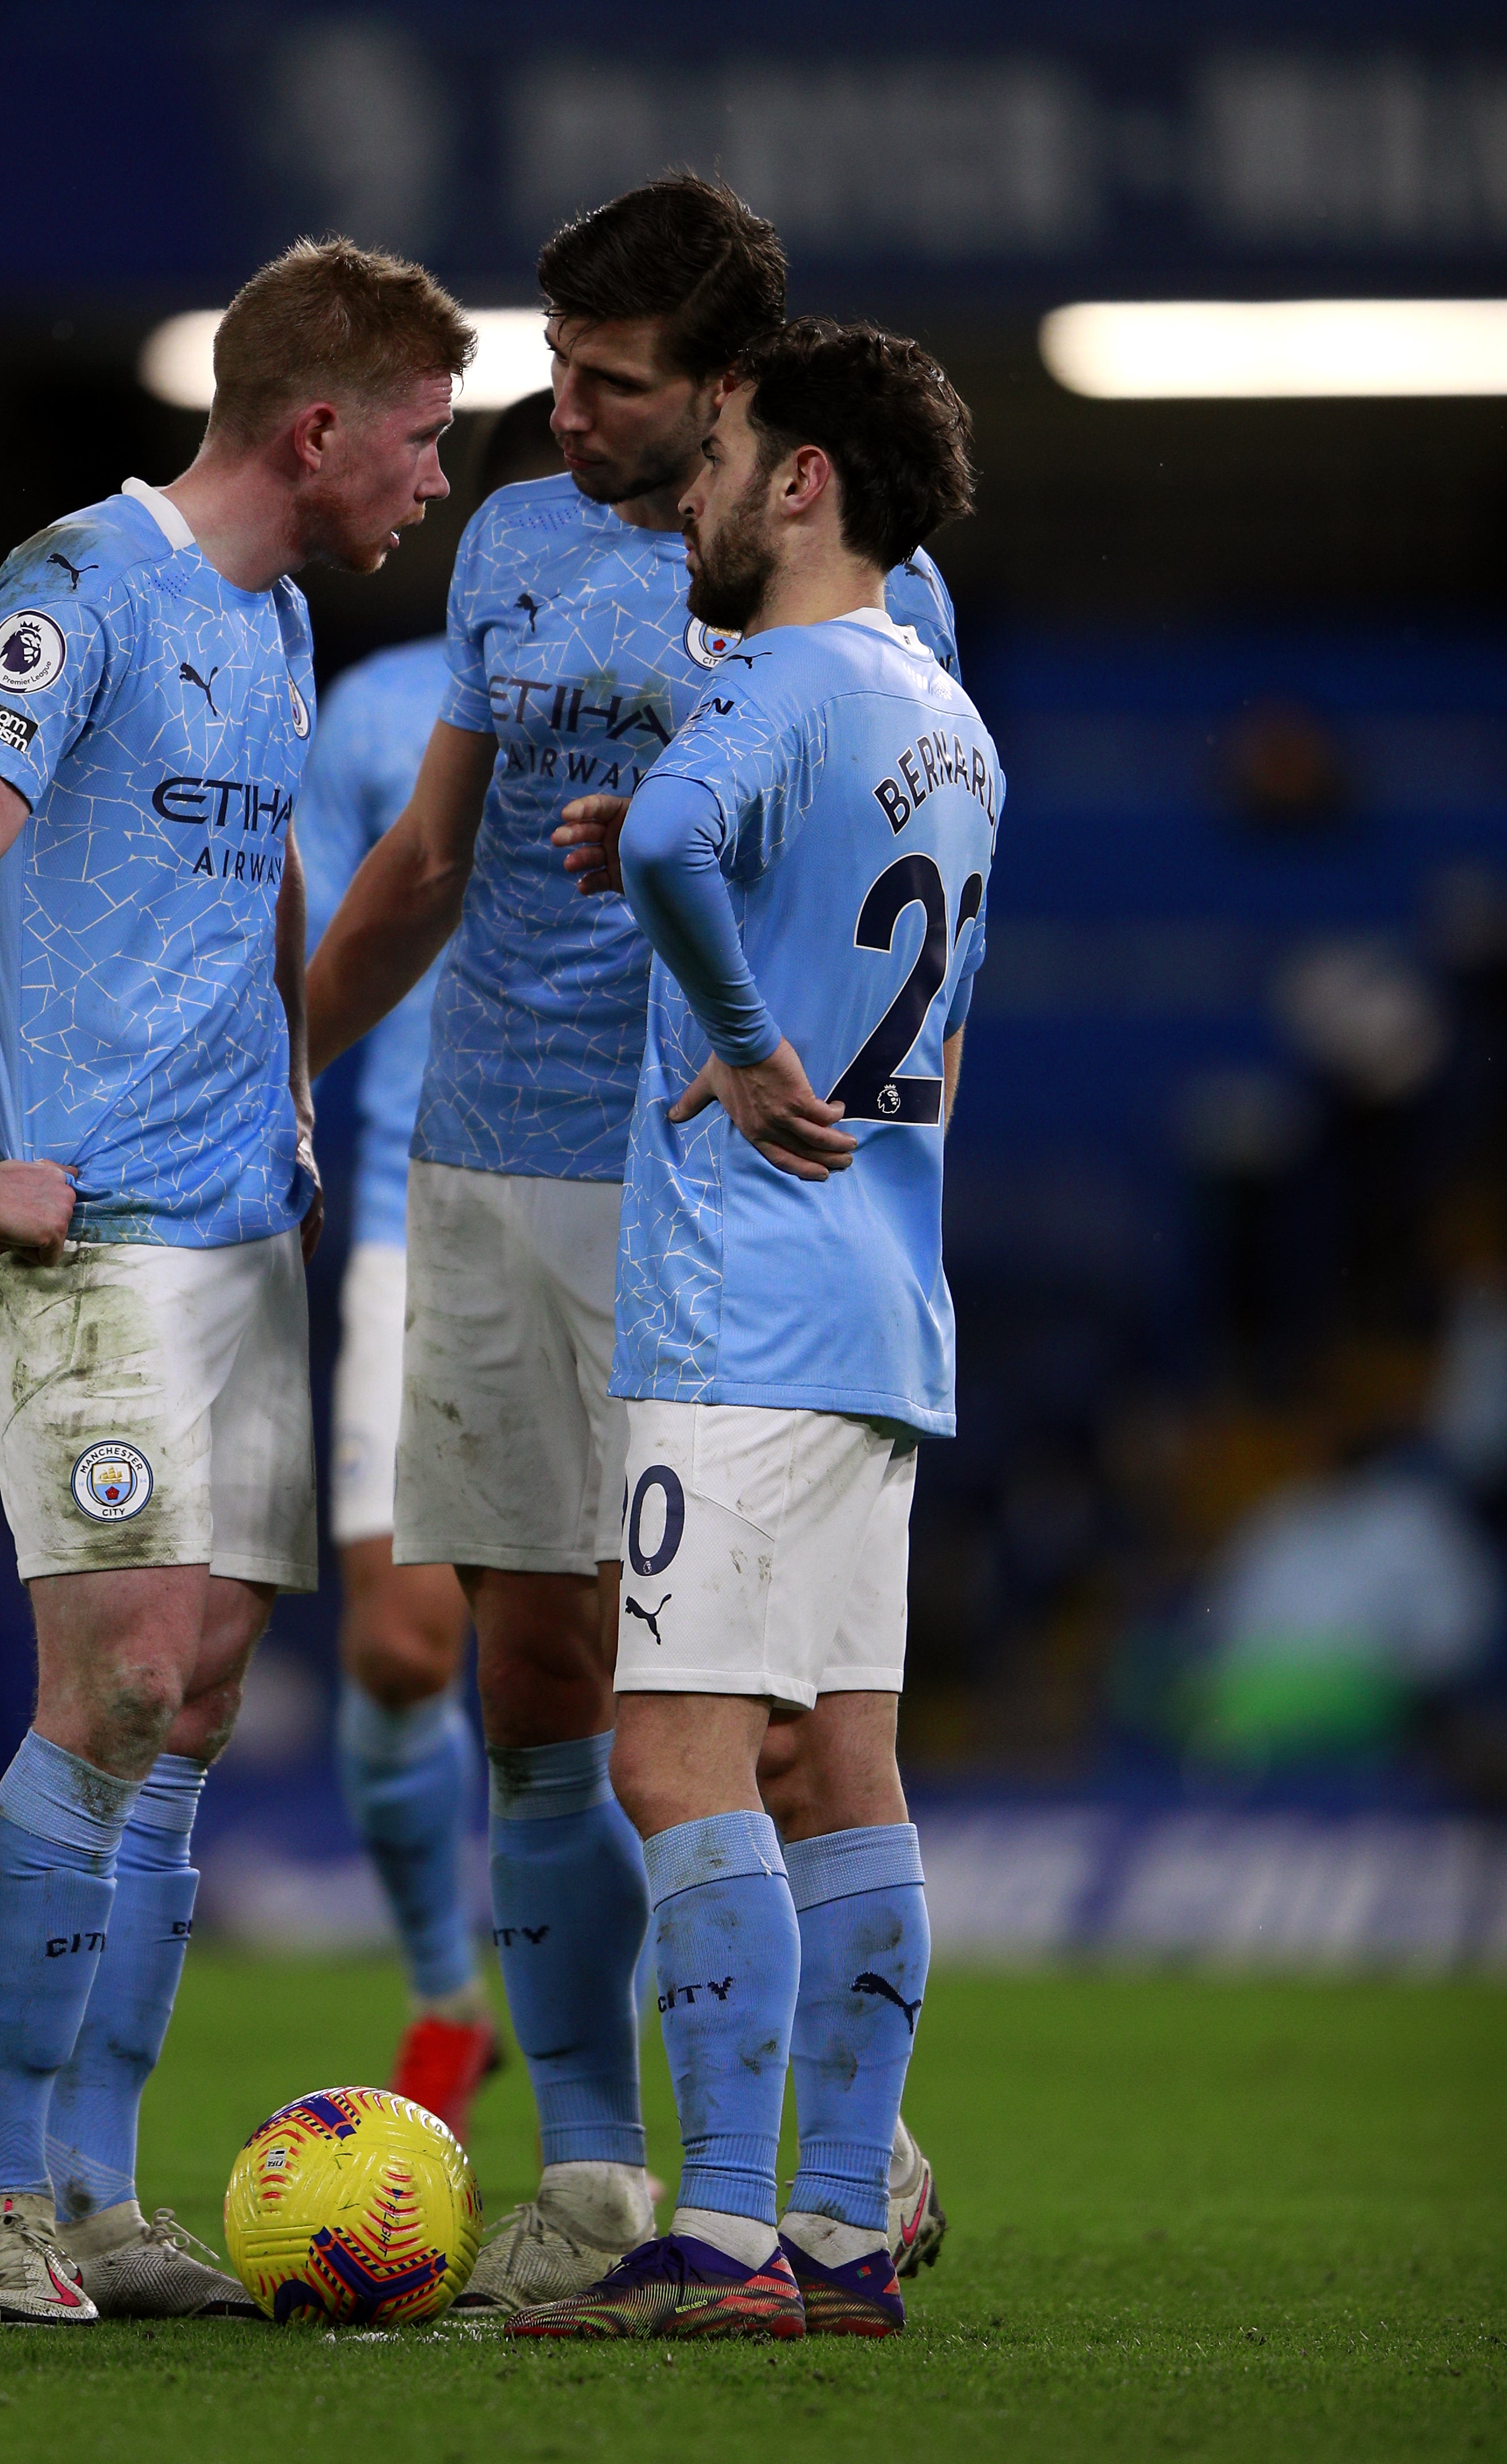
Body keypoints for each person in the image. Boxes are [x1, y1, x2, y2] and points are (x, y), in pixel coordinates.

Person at [307, 177, 958, 2308]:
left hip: (708, 1201)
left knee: (745, 1720)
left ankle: (776, 2177)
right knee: (540, 1686)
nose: (564, 414)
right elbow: (426, 856)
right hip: (496, 1164)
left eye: (616, 387)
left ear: (736, 396)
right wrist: (289, 1060)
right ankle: (597, 2174)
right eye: (554, 371)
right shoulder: (507, 543)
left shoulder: (858, 588)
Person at [0, 237, 473, 2327]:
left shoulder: (286, 618)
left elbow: (265, 868)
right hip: (90, 1221)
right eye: (418, 439)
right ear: (317, 425)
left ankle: (102, 2195)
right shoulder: (81, 583)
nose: (432, 481)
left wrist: (293, 1083)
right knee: (119, 1676)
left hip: (242, 1218)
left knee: (200, 1703)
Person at [504, 317, 993, 2339]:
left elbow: (704, 840)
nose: (685, 499)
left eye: (716, 465)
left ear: (802, 481)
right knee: (850, 1766)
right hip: (886, 1299)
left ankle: (712, 2237)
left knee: (671, 1756)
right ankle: (837, 2232)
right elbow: (832, 915)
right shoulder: (940, 716)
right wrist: (705, 894)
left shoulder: (776, 674)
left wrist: (736, 1036)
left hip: (737, 1302)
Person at [297, 393, 565, 2140]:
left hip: (623, 1218)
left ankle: (618, 2073)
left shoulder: (711, 685)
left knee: (601, 1675)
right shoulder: (385, 710)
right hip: (411, 1211)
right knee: (404, 1649)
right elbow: (323, 939)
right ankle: (442, 1999)